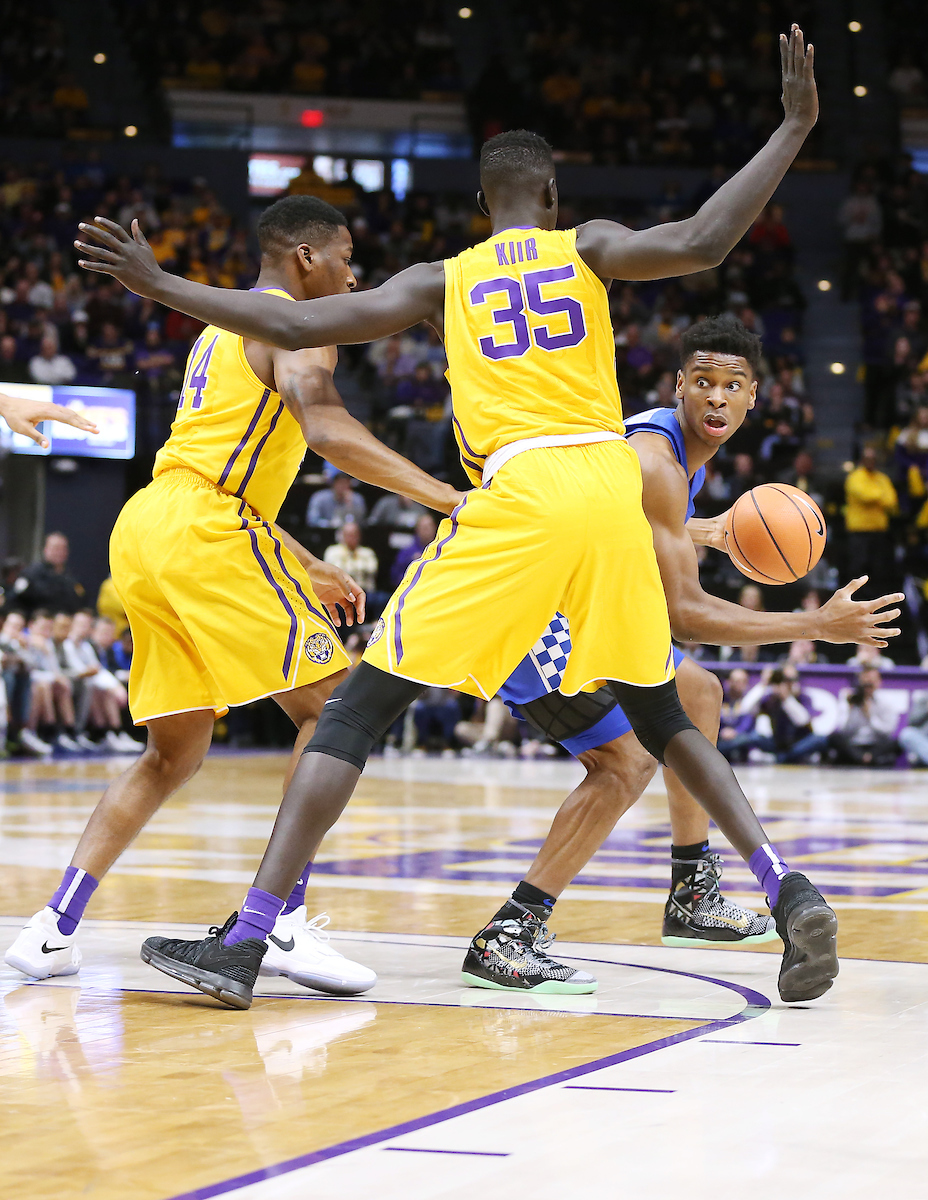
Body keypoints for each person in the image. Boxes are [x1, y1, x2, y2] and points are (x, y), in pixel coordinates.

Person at [75, 29, 845, 1010]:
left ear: (482, 209)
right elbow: (702, 239)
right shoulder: (591, 247)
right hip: (609, 482)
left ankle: (249, 940)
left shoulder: (446, 276)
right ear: (552, 198)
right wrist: (790, 127)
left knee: (355, 711)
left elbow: (298, 323)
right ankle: (785, 887)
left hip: (519, 491)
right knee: (656, 710)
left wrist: (160, 285)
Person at [5, 195, 462, 988]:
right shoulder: (295, 328)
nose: (354, 275)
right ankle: (278, 920)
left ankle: (51, 927)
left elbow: (215, 474)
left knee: (170, 755)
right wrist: (452, 499)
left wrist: (305, 559)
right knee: (339, 709)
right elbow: (323, 431)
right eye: (347, 258)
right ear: (309, 260)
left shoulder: (221, 329)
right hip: (206, 527)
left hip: (148, 528)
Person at [466, 317, 900, 990]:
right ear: (679, 387)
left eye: (732, 386)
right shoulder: (657, 459)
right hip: (533, 612)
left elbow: (636, 526)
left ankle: (691, 892)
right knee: (623, 764)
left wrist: (705, 532)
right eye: (703, 383)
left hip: (579, 603)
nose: (717, 399)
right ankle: (509, 932)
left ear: (756, 396)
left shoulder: (677, 457)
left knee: (699, 694)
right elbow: (684, 615)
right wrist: (816, 623)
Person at [844, 446, 898, 598]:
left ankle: (876, 600)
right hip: (859, 531)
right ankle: (855, 599)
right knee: (858, 568)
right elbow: (865, 495)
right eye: (867, 458)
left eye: (873, 458)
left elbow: (892, 500)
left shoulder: (882, 478)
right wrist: (879, 496)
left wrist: (876, 496)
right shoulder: (855, 477)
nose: (871, 462)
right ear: (862, 460)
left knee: (879, 568)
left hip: (879, 531)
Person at [828, 668, 899, 766]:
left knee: (894, 742)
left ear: (878, 683)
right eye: (864, 684)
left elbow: (888, 731)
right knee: (834, 738)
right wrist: (850, 710)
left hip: (875, 744)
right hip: (853, 745)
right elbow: (843, 730)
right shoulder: (849, 700)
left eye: (870, 684)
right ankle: (862, 758)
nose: (867, 687)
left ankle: (867, 758)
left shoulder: (885, 703)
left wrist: (870, 716)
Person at [11, 533, 86, 617]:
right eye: (56, 548)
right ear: (45, 549)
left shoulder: (72, 579)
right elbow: (16, 600)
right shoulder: (30, 574)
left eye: (63, 549)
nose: (60, 552)